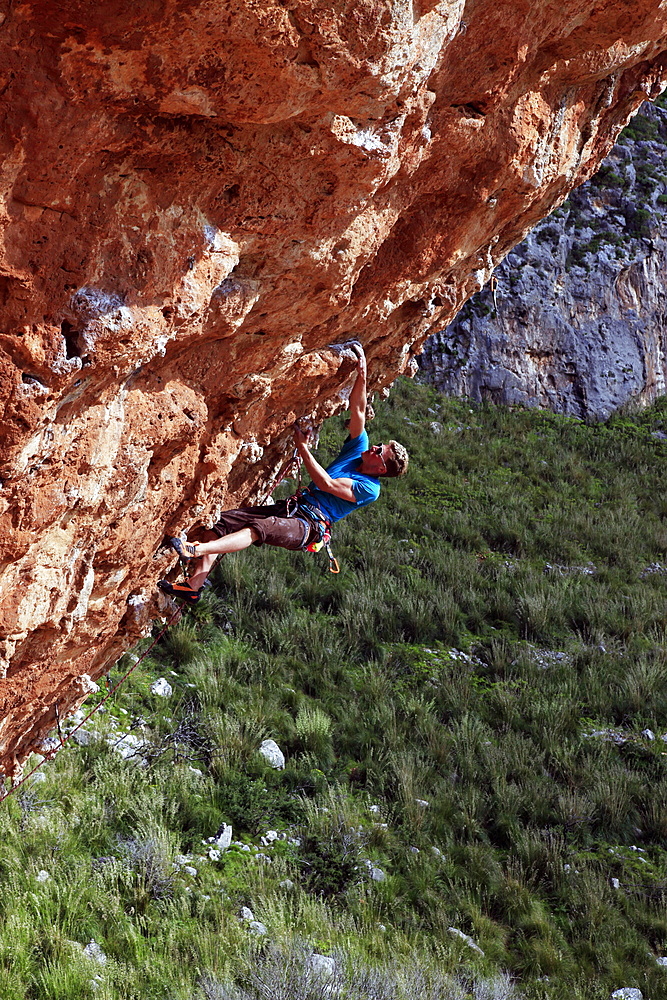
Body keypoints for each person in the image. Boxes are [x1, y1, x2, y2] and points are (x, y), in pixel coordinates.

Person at [158, 345, 409, 605]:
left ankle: (196, 549)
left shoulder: (370, 488)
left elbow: (327, 484)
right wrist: (362, 375)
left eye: (382, 452)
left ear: (381, 469)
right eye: (380, 445)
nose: (376, 447)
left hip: (309, 526)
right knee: (218, 525)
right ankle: (193, 586)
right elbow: (358, 411)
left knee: (259, 529)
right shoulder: (358, 450)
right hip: (292, 508)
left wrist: (302, 448)